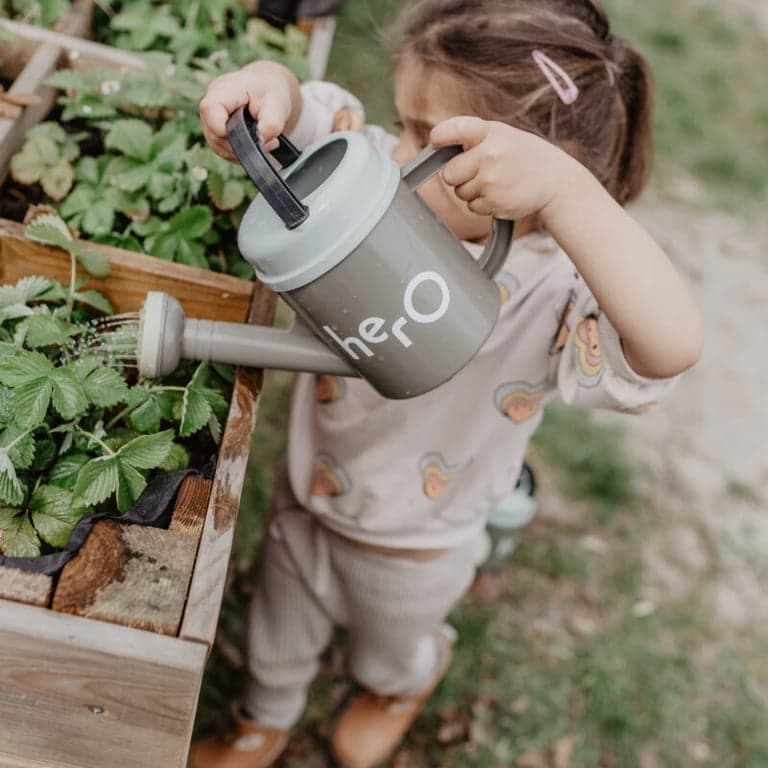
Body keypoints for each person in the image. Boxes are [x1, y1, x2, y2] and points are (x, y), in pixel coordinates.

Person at [191, 1, 703, 766]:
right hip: (311, 493)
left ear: (512, 180)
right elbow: (307, 121)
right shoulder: (374, 187)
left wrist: (567, 194)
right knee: (276, 631)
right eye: (401, 126)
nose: (393, 156)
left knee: (387, 650)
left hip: (420, 545)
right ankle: (262, 716)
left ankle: (403, 685)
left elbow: (671, 344)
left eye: (424, 141)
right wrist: (270, 91)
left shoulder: (556, 289)